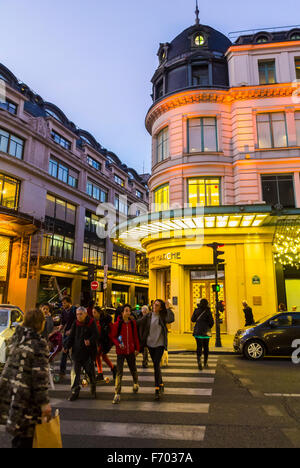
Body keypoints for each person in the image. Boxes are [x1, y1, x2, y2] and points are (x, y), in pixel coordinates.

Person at [0, 309, 51, 448]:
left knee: (18, 438)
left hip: (13, 396)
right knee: (26, 440)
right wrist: (44, 403)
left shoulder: (17, 338)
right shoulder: (38, 343)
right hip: (27, 400)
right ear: (40, 323)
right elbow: (39, 377)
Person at [138, 299, 175, 401]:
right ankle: (161, 383)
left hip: (159, 344)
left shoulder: (163, 317)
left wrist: (168, 309)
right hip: (150, 344)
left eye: (157, 305)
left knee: (155, 365)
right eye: (154, 305)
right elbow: (138, 322)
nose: (155, 307)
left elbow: (171, 318)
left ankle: (157, 389)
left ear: (161, 308)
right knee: (156, 365)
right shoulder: (148, 316)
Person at [64, 307, 99, 402]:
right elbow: (71, 336)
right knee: (75, 373)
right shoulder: (75, 323)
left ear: (85, 314)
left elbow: (96, 335)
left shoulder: (91, 322)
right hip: (76, 352)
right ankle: (75, 391)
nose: (78, 316)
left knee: (89, 371)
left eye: (80, 314)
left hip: (88, 353)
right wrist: (67, 346)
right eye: (77, 314)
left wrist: (90, 341)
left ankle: (93, 385)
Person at [111, 305, 140, 405]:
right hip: (121, 352)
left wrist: (137, 348)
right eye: (126, 311)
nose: (128, 312)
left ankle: (135, 383)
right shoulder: (117, 324)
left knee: (133, 368)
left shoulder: (132, 323)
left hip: (131, 350)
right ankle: (117, 393)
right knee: (119, 372)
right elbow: (114, 337)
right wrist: (118, 344)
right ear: (122, 312)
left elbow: (136, 336)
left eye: (129, 311)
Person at [92, 306, 117, 381]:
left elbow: (109, 331)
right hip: (99, 341)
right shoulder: (95, 320)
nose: (93, 314)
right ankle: (113, 369)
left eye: (95, 312)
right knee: (102, 356)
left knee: (98, 355)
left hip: (106, 341)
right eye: (92, 312)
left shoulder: (104, 320)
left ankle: (101, 373)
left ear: (99, 312)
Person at [191, 298, 214, 371]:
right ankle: (205, 362)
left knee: (199, 346)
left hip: (198, 331)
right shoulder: (208, 311)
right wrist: (208, 326)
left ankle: (199, 361)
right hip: (206, 332)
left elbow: (192, 319)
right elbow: (211, 322)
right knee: (206, 347)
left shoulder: (196, 310)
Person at [59, 296, 77, 379]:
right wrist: (59, 328)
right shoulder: (63, 311)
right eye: (62, 303)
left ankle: (77, 369)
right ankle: (62, 371)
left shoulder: (74, 310)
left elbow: (77, 321)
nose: (63, 304)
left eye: (64, 303)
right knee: (64, 351)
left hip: (75, 334)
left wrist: (71, 330)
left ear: (69, 303)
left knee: (75, 352)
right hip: (66, 334)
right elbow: (63, 322)